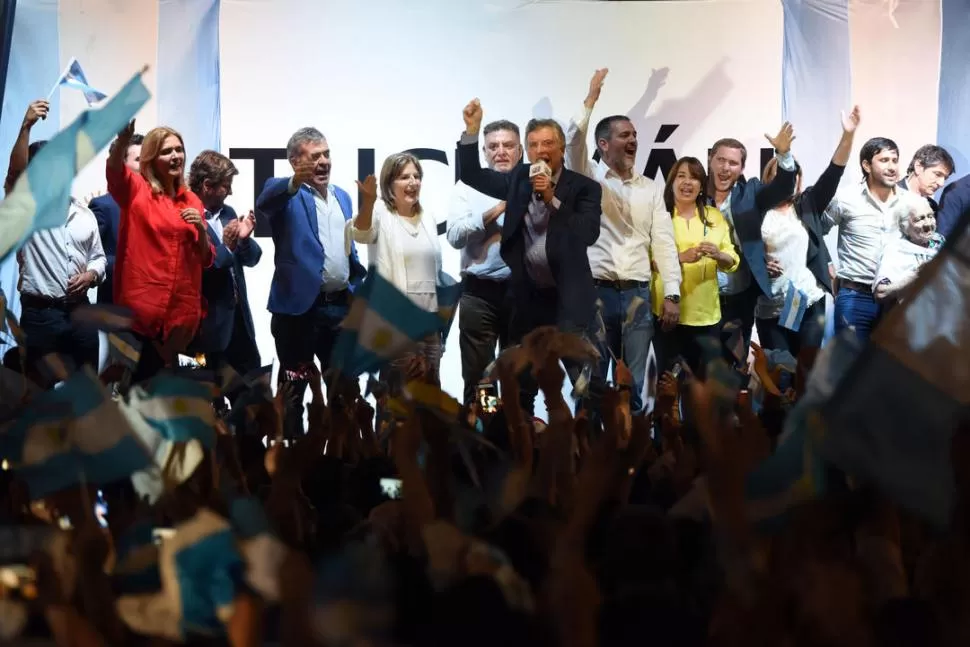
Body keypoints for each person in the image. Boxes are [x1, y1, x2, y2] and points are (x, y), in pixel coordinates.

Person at [457, 98, 603, 414]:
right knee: (521, 384)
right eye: (534, 144)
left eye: (548, 143)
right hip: (525, 301)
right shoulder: (519, 178)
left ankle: (584, 447)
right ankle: (509, 440)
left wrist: (552, 199)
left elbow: (587, 233)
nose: (541, 150)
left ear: (562, 149)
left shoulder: (584, 188)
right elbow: (470, 174)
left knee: (585, 384)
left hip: (568, 301)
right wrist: (471, 131)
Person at [565, 68, 681, 413]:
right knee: (595, 378)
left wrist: (672, 293)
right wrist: (590, 100)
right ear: (603, 145)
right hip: (597, 294)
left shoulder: (651, 188)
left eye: (634, 134)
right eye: (623, 135)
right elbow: (573, 141)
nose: (632, 140)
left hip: (638, 295)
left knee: (638, 382)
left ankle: (638, 456)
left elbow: (663, 242)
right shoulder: (589, 178)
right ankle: (594, 452)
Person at [257, 127, 367, 437]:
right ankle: (290, 466)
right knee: (293, 392)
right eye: (314, 156)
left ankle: (344, 461)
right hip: (298, 312)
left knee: (344, 389)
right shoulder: (285, 193)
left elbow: (348, 247)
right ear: (294, 162)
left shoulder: (343, 196)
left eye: (326, 154)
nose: (323, 162)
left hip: (338, 310)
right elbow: (266, 201)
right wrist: (294, 181)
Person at [4, 99, 105, 384]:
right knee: (37, 393)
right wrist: (26, 126)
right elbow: (14, 175)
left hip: (81, 313)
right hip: (40, 317)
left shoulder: (84, 214)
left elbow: (98, 257)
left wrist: (91, 274)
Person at [107, 121, 214, 382]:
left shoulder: (193, 201)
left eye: (179, 149)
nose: (176, 156)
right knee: (141, 393)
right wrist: (122, 141)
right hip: (143, 319)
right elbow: (114, 173)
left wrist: (201, 229)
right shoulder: (136, 190)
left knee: (191, 387)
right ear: (152, 158)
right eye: (167, 151)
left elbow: (207, 258)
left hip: (185, 322)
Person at [755, 106, 861, 358]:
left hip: (809, 302)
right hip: (770, 306)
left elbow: (834, 172)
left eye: (795, 176)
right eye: (780, 175)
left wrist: (848, 136)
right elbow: (742, 251)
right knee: (779, 374)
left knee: (806, 373)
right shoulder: (755, 209)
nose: (790, 182)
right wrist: (760, 264)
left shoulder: (807, 204)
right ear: (769, 178)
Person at [707, 125, 797, 366]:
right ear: (710, 160)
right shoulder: (693, 193)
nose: (726, 168)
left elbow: (783, 187)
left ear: (742, 168)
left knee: (733, 368)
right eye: (721, 160)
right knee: (698, 371)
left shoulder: (752, 192)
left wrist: (784, 155)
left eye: (733, 163)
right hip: (700, 297)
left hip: (739, 299)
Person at [350, 153, 445, 383]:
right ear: (389, 183)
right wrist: (369, 202)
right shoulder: (380, 213)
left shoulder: (428, 218)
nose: (413, 182)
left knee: (429, 401)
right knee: (396, 399)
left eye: (416, 176)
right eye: (404, 177)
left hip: (429, 325)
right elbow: (360, 233)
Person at [447, 119, 520, 405]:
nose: (501, 151)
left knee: (519, 376)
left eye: (508, 145)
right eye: (493, 146)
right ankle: (485, 442)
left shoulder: (534, 185)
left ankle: (518, 442)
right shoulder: (466, 187)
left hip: (522, 294)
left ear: (520, 150)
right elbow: (453, 236)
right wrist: (496, 210)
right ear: (484, 153)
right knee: (482, 382)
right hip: (480, 294)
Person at [652, 157, 738, 373]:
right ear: (671, 182)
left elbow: (732, 261)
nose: (687, 183)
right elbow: (647, 260)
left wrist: (719, 255)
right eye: (681, 176)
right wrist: (680, 257)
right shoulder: (659, 217)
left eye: (694, 177)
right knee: (669, 384)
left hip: (707, 316)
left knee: (704, 389)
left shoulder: (715, 217)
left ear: (702, 186)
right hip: (668, 313)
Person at [823, 137, 910, 341]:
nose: (892, 167)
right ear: (866, 165)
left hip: (894, 298)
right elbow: (815, 231)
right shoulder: (846, 198)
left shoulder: (909, 202)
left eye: (895, 160)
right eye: (884, 160)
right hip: (854, 296)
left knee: (884, 367)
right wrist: (828, 266)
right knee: (849, 365)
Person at [188, 150, 262, 380]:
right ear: (208, 185)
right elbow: (203, 271)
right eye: (226, 185)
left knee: (256, 399)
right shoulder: (187, 217)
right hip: (209, 329)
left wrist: (244, 239)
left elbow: (252, 259)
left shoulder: (227, 213)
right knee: (213, 405)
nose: (230, 191)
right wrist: (228, 247)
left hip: (240, 324)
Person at [90, 133, 144, 306]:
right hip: (116, 306)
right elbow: (92, 256)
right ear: (122, 165)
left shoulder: (162, 204)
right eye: (139, 160)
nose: (146, 165)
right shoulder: (103, 206)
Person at [874, 194, 941, 306]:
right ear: (904, 226)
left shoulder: (940, 242)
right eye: (920, 219)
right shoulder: (895, 250)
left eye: (930, 216)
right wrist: (915, 275)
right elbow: (881, 293)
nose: (928, 224)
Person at [897, 144, 955, 211]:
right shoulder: (888, 195)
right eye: (937, 174)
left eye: (945, 178)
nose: (941, 183)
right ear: (918, 167)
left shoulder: (933, 207)